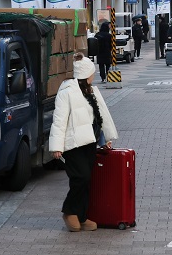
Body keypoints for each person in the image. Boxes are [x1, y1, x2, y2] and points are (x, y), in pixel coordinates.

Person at [49, 53, 119, 232]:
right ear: (85, 74)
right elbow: (59, 120)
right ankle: (69, 211)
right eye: (91, 73)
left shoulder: (92, 91)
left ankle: (82, 216)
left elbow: (100, 117)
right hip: (72, 144)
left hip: (89, 142)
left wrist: (104, 140)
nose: (93, 76)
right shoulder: (67, 92)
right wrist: (56, 146)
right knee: (80, 178)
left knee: (87, 180)